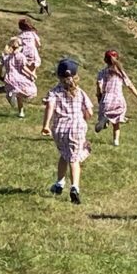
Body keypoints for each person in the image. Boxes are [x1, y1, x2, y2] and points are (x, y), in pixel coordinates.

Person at [41, 58, 93, 205]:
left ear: (58, 76)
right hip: (76, 128)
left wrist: (45, 125)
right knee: (74, 159)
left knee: (64, 154)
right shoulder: (80, 93)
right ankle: (75, 187)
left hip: (59, 129)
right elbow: (89, 113)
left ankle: (59, 183)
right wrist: (84, 115)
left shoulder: (54, 92)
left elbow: (50, 106)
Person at [95, 50, 137, 147]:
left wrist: (99, 94)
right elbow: (130, 85)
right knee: (117, 122)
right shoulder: (120, 72)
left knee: (104, 115)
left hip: (107, 99)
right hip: (118, 100)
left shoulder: (102, 72)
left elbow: (99, 84)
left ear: (105, 60)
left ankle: (105, 121)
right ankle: (116, 141)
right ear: (117, 58)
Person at [0, 37, 37, 118]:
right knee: (19, 95)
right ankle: (19, 110)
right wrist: (32, 74)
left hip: (9, 77)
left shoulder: (5, 56)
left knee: (15, 94)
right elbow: (24, 68)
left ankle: (20, 111)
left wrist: (0, 75)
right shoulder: (21, 56)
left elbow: (1, 67)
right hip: (19, 77)